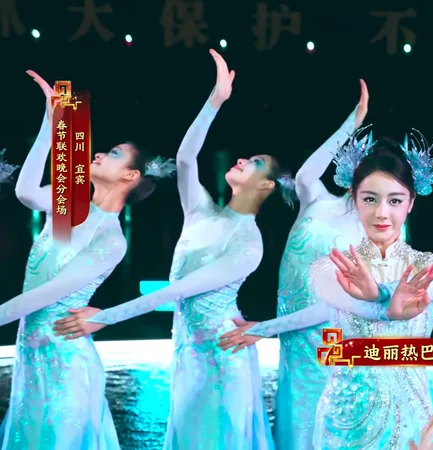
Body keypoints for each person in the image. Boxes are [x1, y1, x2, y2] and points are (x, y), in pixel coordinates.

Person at [51, 50, 285, 449]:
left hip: (222, 360)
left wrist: (105, 317)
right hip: (187, 353)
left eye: (256, 162)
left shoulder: (249, 245)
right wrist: (215, 101)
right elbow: (186, 158)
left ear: (266, 186)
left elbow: (177, 291)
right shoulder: (200, 209)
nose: (243, 159)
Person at [220, 132, 433, 449]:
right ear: (355, 198)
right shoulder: (327, 268)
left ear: (411, 202)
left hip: (409, 418)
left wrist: (384, 295)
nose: (381, 212)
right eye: (370, 199)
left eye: (395, 200)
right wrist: (383, 301)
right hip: (342, 415)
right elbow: (336, 301)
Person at [0, 70, 174, 450]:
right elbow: (26, 192)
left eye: (114, 154)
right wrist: (51, 124)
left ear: (130, 175)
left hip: (67, 368)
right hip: (31, 359)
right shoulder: (71, 204)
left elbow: (46, 294)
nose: (98, 153)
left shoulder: (110, 239)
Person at [267, 79, 368, 450]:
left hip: (329, 333)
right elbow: (306, 174)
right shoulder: (317, 198)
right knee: (293, 414)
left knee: (325, 422)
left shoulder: (368, 232)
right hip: (292, 333)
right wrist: (351, 125)